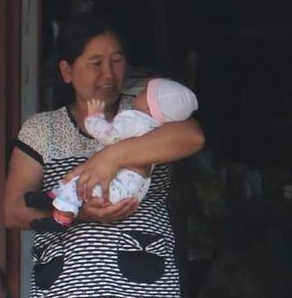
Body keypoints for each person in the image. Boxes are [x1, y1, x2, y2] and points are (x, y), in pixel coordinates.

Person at [4, 14, 204, 298]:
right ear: (67, 71)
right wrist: (76, 214)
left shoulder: (150, 121)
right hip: (64, 297)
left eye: (116, 61)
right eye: (94, 62)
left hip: (145, 296)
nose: (108, 73)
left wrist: (113, 155)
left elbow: (194, 136)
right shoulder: (42, 130)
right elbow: (13, 210)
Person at [33, 78, 200, 226]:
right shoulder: (157, 128)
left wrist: (94, 117)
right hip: (133, 191)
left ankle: (63, 213)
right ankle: (55, 198)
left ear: (149, 107)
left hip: (117, 183)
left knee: (80, 182)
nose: (138, 93)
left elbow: (108, 135)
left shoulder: (135, 119)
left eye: (144, 92)